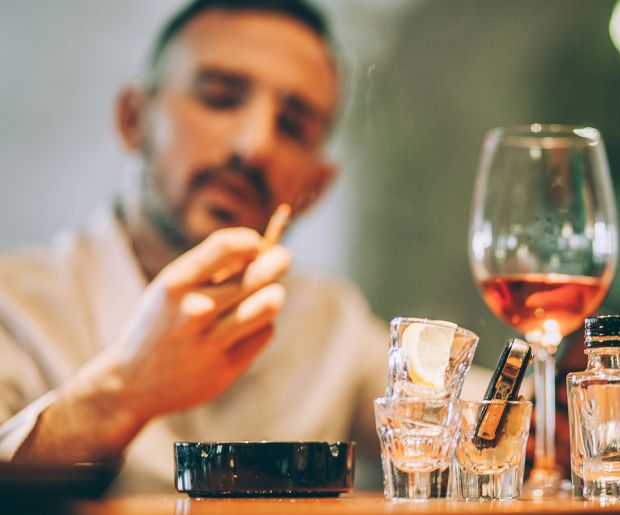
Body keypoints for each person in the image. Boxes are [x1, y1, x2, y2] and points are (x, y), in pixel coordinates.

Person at [0, 0, 400, 494]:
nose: (254, 146)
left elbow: (482, 418)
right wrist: (126, 392)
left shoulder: (334, 324)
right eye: (219, 98)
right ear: (133, 119)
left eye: (292, 126)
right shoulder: (13, 306)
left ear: (314, 188)